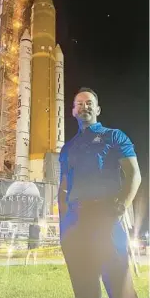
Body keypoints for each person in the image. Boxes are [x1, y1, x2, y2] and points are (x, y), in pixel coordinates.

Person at [58, 87, 141, 298]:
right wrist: (63, 223)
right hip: (75, 221)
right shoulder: (68, 148)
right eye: (79, 104)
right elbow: (64, 186)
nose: (84, 107)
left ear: (98, 109)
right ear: (73, 111)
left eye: (89, 103)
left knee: (120, 287)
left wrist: (120, 207)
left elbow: (134, 175)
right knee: (84, 289)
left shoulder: (113, 136)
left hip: (106, 215)